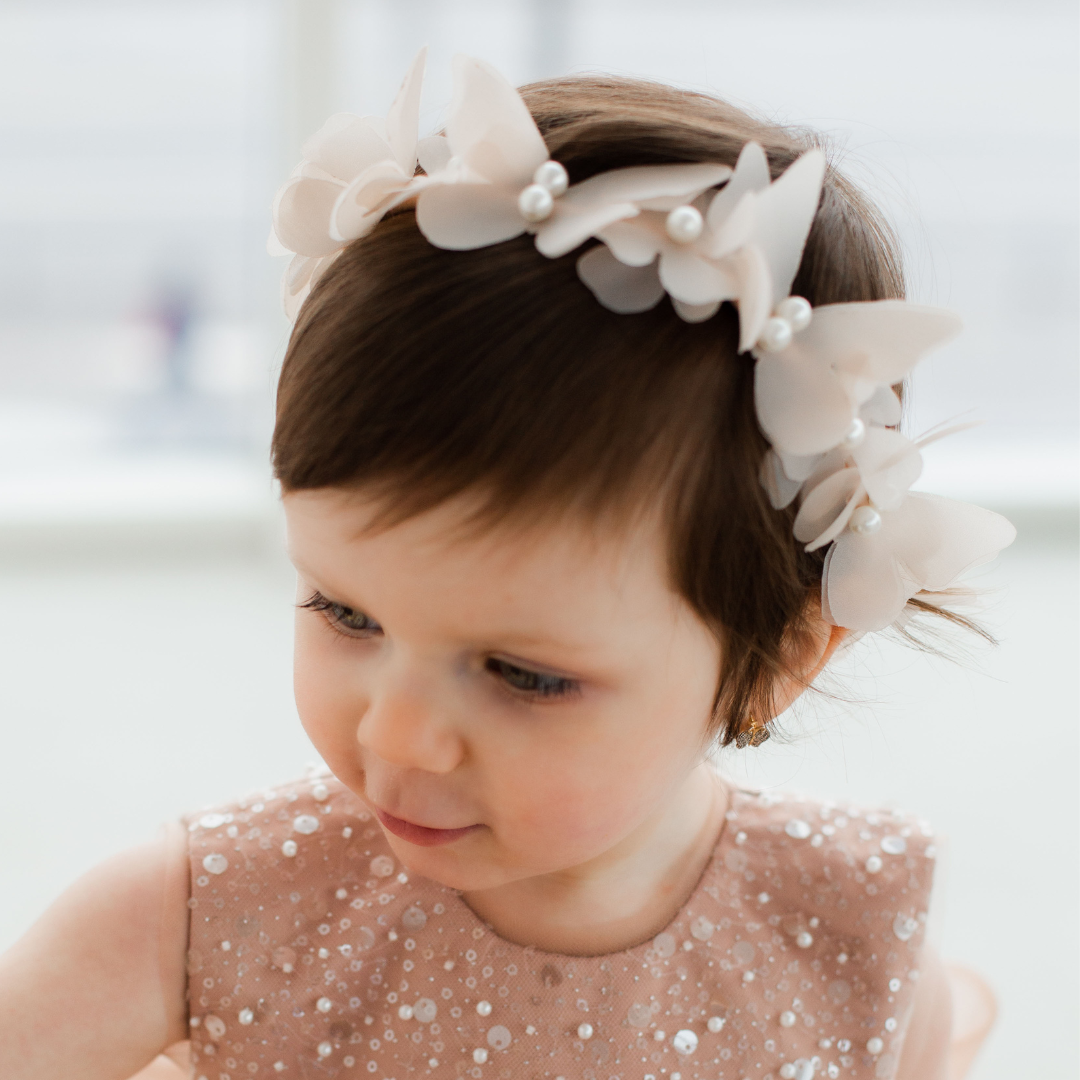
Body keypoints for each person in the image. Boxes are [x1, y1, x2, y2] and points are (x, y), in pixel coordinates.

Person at [0, 52, 1012, 1080]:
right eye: (345, 613)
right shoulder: (202, 921)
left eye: (524, 675)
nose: (397, 735)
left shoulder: (848, 939)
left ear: (781, 657)